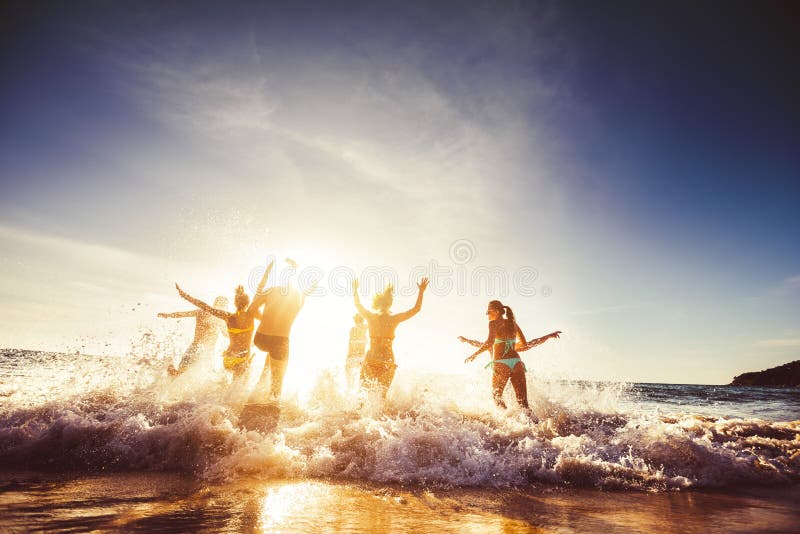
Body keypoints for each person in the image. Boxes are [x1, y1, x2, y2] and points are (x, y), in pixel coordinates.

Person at [175, 260, 273, 379]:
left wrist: (185, 296)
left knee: (227, 386)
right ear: (247, 303)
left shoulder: (228, 316)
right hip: (242, 357)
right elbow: (259, 289)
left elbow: (205, 306)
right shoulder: (251, 314)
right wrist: (267, 272)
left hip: (228, 359)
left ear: (235, 303)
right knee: (238, 387)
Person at [248, 259, 316, 401]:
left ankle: (261, 379)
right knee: (277, 384)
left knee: (270, 356)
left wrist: (264, 320)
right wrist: (299, 267)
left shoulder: (271, 290)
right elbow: (313, 285)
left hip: (260, 339)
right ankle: (271, 406)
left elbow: (251, 310)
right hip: (279, 341)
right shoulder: (300, 297)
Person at [353, 277, 429, 398]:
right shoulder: (394, 318)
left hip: (371, 359)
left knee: (362, 394)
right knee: (382, 396)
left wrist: (355, 290)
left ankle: (360, 416)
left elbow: (357, 304)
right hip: (386, 361)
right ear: (390, 303)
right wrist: (421, 291)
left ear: (376, 303)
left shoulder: (370, 316)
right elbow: (416, 309)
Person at [463, 300, 532, 409]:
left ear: (496, 311)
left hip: (501, 363)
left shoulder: (493, 323)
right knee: (524, 404)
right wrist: (509, 345)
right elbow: (524, 344)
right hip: (517, 363)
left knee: (497, 397)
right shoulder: (513, 323)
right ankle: (536, 425)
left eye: (488, 312)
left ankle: (507, 423)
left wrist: (474, 354)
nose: (487, 315)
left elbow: (489, 342)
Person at [158, 295, 228, 376]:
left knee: (181, 373)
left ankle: (169, 368)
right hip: (203, 352)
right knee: (197, 375)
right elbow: (226, 334)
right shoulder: (218, 318)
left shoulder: (200, 312)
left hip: (196, 348)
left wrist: (168, 315)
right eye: (225, 306)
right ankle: (171, 370)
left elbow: (182, 314)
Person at [458, 330, 561, 352]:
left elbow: (531, 343)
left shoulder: (509, 346)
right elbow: (478, 344)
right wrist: (466, 340)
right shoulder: (492, 345)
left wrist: (548, 336)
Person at [345, 314, 368, 390]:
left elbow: (351, 343)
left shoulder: (353, 329)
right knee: (362, 381)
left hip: (351, 357)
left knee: (350, 382)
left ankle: (349, 395)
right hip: (361, 357)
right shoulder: (364, 328)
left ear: (355, 321)